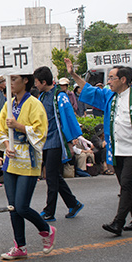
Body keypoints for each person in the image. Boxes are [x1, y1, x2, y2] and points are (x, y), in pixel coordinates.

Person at [66, 59, 132, 236]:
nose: (108, 81)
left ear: (123, 79)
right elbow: (89, 90)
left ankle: (118, 222)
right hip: (116, 149)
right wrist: (73, 74)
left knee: (125, 184)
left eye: (111, 78)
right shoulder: (110, 96)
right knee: (127, 184)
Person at [0, 73, 56, 260]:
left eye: (14, 79)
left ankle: (46, 230)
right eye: (9, 80)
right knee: (13, 207)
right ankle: (19, 246)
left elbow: (40, 131)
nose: (10, 83)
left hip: (28, 160)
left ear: (25, 81)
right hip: (11, 159)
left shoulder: (35, 104)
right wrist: (6, 145)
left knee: (21, 206)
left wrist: (19, 126)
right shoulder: (8, 104)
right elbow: (1, 129)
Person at [32, 66, 84, 222]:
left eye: (36, 82)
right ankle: (73, 203)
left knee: (51, 177)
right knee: (55, 176)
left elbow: (68, 116)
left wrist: (72, 138)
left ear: (43, 81)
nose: (35, 85)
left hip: (55, 140)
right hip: (45, 141)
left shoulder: (59, 96)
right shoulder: (42, 97)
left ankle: (49, 211)